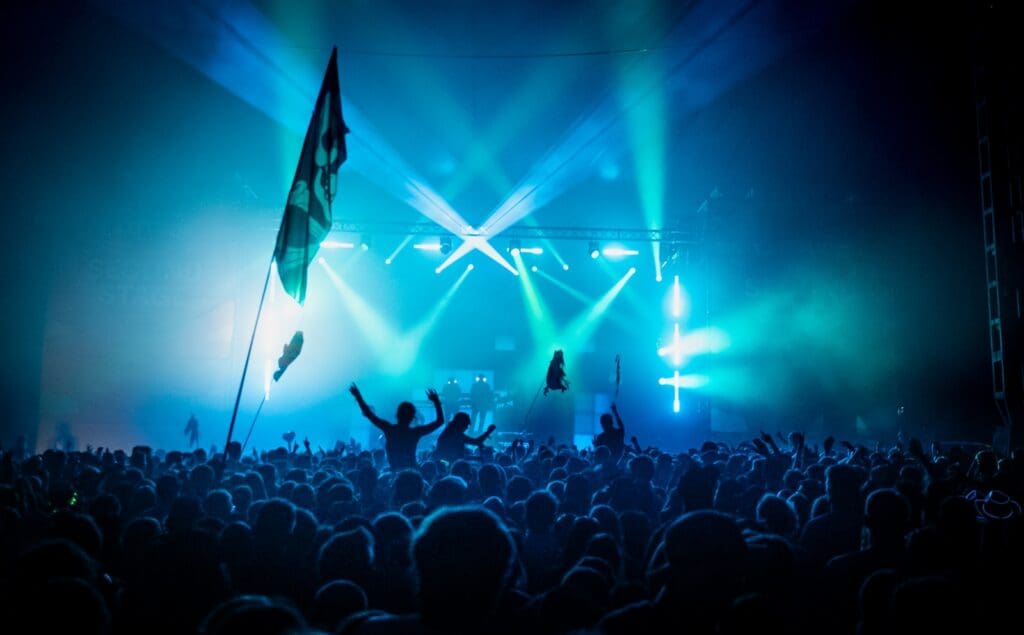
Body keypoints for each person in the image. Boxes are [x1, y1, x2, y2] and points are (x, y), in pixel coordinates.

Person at [349, 383, 444, 471]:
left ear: (397, 415)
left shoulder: (390, 429)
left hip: (395, 470)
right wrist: (436, 402)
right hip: (412, 471)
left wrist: (358, 396)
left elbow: (369, 414)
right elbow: (440, 421)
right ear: (412, 417)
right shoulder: (415, 432)